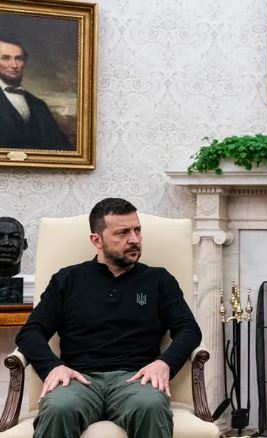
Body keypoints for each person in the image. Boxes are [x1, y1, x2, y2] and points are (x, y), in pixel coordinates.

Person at [15, 198, 202, 438]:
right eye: (122, 233)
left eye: (137, 230)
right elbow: (30, 332)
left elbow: (188, 329)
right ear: (97, 240)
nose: (134, 239)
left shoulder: (159, 280)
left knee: (151, 406)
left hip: (136, 379)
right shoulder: (67, 280)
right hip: (78, 380)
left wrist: (164, 363)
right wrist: (54, 367)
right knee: (58, 408)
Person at [0, 34, 72, 150]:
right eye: (6, 58)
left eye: (18, 58)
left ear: (24, 62)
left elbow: (62, 148)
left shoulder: (39, 105)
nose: (14, 65)